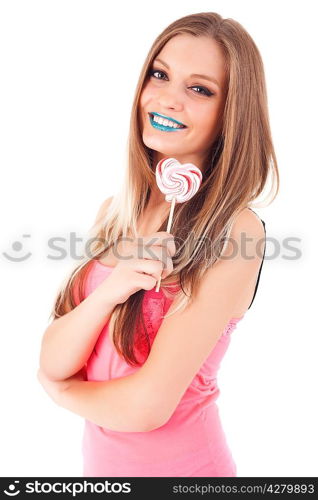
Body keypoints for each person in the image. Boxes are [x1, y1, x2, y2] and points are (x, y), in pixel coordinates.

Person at [38, 11, 279, 477]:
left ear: (232, 112)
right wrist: (112, 289)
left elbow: (147, 406)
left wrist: (61, 390)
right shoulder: (115, 211)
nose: (167, 99)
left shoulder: (235, 230)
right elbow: (54, 354)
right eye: (160, 74)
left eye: (200, 89)